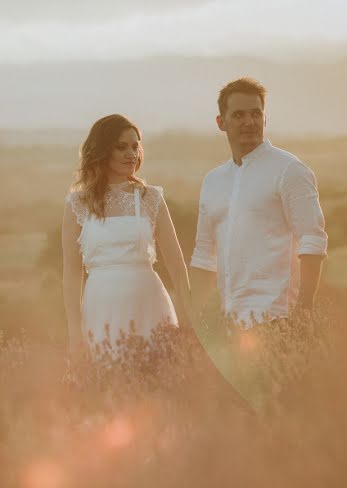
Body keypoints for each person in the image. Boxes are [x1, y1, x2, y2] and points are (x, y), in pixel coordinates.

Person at [190, 78, 327, 330]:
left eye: (256, 114)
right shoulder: (213, 181)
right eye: (239, 115)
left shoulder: (289, 170)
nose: (249, 122)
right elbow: (203, 255)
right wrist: (194, 323)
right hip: (228, 324)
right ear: (221, 122)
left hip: (278, 319)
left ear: (265, 119)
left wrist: (303, 313)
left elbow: (313, 241)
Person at [62, 114, 193, 358]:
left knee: (158, 382)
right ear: (102, 151)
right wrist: (74, 332)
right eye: (121, 147)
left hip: (149, 304)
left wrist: (187, 317)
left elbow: (176, 263)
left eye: (135, 146)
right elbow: (71, 272)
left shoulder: (150, 198)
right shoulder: (78, 203)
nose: (131, 153)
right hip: (100, 307)